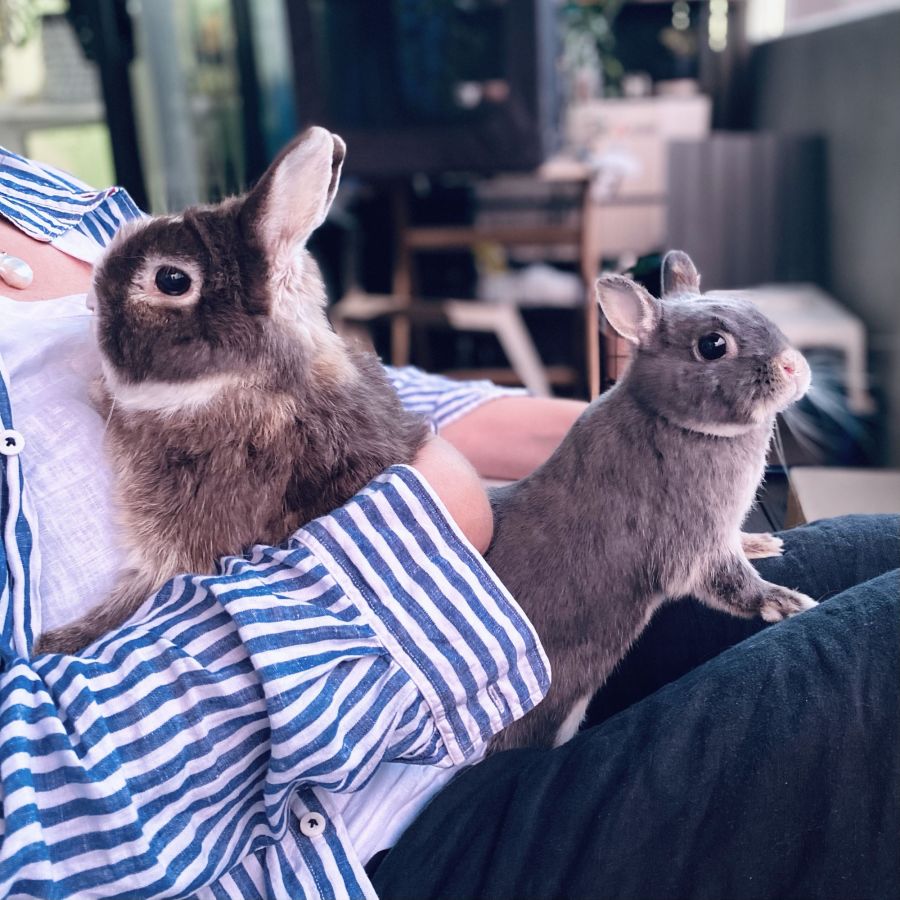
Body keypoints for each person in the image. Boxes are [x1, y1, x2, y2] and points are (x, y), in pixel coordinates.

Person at [0, 147, 897, 899]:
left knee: (876, 553)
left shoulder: (29, 187)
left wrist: (634, 439)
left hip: (494, 607)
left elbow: (331, 379)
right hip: (346, 827)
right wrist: (411, 548)